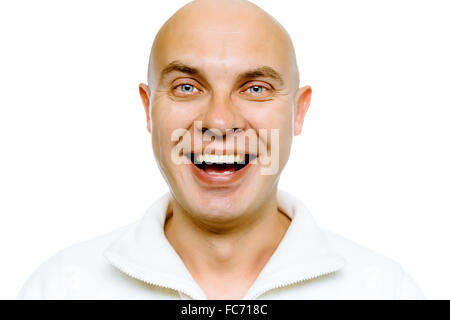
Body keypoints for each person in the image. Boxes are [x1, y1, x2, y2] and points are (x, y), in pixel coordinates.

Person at [18, 0, 425, 300]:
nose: (218, 121)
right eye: (187, 87)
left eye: (255, 89)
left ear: (298, 112)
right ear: (148, 108)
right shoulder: (58, 288)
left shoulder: (387, 290)